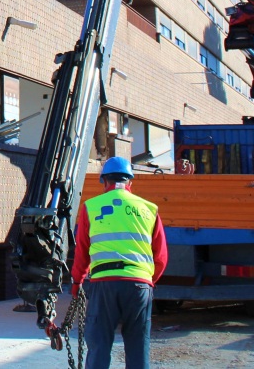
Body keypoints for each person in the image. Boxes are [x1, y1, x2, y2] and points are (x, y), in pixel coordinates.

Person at [70, 156, 168, 369]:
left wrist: (77, 282)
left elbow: (82, 252)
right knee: (138, 346)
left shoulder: (91, 207)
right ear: (130, 182)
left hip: (104, 285)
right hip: (139, 285)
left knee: (99, 346)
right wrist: (148, 281)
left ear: (104, 181)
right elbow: (160, 257)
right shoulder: (149, 209)